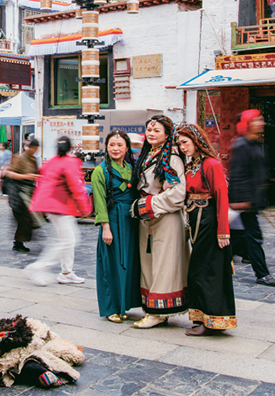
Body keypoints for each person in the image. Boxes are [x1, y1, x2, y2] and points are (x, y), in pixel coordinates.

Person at [176, 124, 237, 336]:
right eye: (179, 144)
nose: (182, 147)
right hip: (195, 220)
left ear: (196, 140)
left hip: (209, 221)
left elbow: (222, 197)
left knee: (205, 270)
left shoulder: (211, 164)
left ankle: (210, 320)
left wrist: (223, 232)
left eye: (185, 142)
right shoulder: (191, 165)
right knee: (199, 269)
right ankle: (204, 319)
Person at [130, 115, 188, 329]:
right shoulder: (148, 155)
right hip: (146, 218)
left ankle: (159, 311)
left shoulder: (172, 158)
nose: (152, 134)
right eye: (149, 130)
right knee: (149, 262)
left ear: (167, 134)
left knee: (164, 263)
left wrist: (150, 204)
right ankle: (151, 308)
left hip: (165, 218)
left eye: (157, 131)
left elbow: (178, 193)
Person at [25, 136, 91, 286]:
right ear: (70, 148)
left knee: (66, 239)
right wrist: (84, 207)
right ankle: (37, 268)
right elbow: (75, 186)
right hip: (61, 205)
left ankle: (66, 272)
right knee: (68, 240)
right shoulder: (70, 162)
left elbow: (42, 180)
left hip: (50, 204)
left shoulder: (51, 161)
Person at [229, 109, 275, 287]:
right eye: (257, 120)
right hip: (245, 201)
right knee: (252, 237)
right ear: (247, 124)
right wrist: (240, 200)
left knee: (244, 237)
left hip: (251, 200)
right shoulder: (241, 145)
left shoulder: (254, 143)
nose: (262, 123)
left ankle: (245, 261)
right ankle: (262, 274)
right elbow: (238, 174)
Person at [92, 131, 140, 323]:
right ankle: (111, 307)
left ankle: (124, 304)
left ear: (127, 148)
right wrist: (105, 227)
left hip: (130, 220)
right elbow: (99, 202)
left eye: (120, 145)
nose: (115, 149)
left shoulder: (131, 168)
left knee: (128, 262)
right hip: (112, 219)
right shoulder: (100, 171)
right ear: (106, 147)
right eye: (112, 145)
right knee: (111, 264)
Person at [5, 138, 40, 252]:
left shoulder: (33, 160)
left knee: (29, 218)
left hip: (29, 192)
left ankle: (20, 240)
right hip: (18, 192)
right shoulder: (20, 158)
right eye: (33, 148)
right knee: (24, 219)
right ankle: (18, 242)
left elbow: (35, 173)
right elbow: (9, 173)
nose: (34, 150)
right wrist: (26, 176)